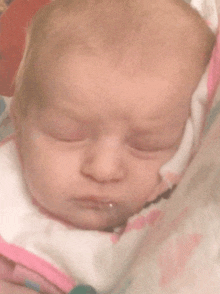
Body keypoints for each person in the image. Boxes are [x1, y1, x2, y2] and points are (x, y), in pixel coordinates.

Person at [0, 0, 219, 293]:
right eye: (68, 135)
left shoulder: (177, 217)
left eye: (145, 144)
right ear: (20, 120)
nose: (102, 170)